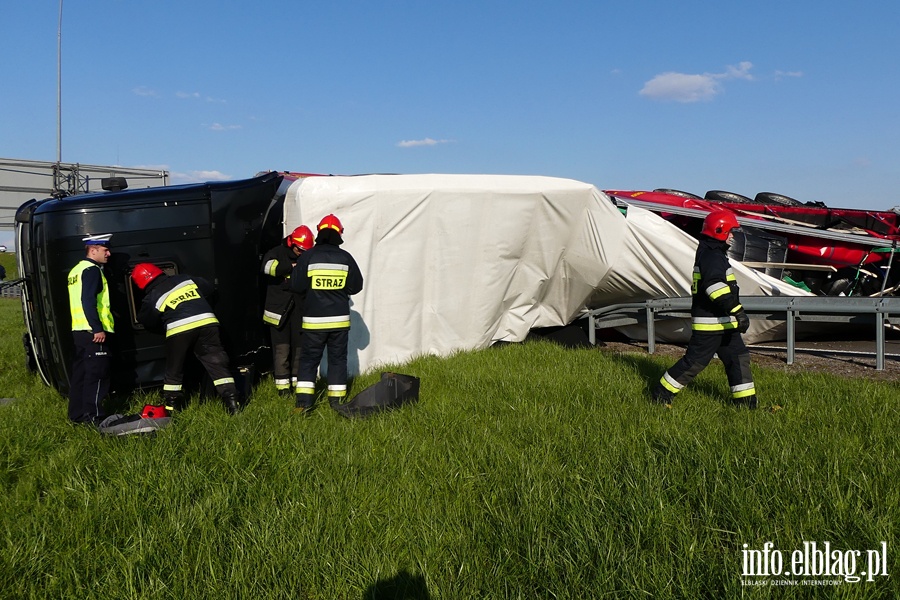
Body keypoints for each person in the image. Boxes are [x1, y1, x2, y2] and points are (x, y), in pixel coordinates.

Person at [650, 210, 757, 409]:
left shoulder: (713, 253)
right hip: (711, 325)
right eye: (730, 232)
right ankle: (660, 394)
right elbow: (714, 287)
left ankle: (746, 405)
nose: (732, 236)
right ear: (719, 230)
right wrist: (737, 311)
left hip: (724, 324)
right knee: (694, 363)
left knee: (738, 358)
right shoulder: (712, 256)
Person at [131, 263, 243, 414]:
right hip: (207, 322)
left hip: (179, 329)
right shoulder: (185, 279)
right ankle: (233, 404)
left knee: (174, 370)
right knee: (217, 363)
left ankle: (172, 410)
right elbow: (209, 288)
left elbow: (146, 320)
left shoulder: (151, 297)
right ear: (160, 272)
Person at [291, 214, 364, 413]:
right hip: (339, 322)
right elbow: (356, 286)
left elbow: (296, 286)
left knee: (308, 361)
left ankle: (304, 404)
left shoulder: (308, 256)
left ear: (319, 232)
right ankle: (337, 403)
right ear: (339, 234)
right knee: (337, 360)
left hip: (314, 322)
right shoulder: (345, 257)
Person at [66, 233, 114, 425]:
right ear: (93, 250)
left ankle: (76, 415)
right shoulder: (92, 270)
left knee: (81, 375)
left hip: (79, 330)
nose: (108, 254)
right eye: (105, 250)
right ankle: (93, 417)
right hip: (93, 332)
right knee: (97, 375)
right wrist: (97, 328)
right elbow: (88, 300)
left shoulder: (75, 270)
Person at [261, 225, 313, 396]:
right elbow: (268, 268)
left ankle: (298, 383)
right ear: (292, 243)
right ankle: (283, 388)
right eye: (300, 249)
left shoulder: (306, 257)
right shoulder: (276, 252)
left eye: (305, 250)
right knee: (282, 350)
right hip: (278, 313)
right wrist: (291, 267)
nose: (301, 253)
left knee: (299, 349)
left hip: (298, 309)